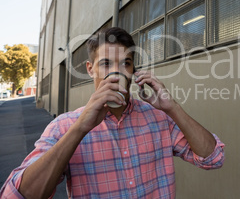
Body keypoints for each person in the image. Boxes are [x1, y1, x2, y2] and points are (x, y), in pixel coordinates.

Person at [0, 27, 225, 198]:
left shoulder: (159, 118)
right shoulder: (65, 126)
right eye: (106, 64)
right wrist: (79, 129)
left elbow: (213, 159)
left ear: (133, 70)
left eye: (125, 63)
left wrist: (172, 107)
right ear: (91, 69)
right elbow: (15, 195)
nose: (117, 73)